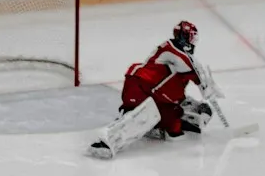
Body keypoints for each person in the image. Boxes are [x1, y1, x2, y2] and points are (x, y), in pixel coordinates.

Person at [88, 21, 214, 159]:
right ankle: (107, 141)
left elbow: (185, 78)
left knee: (172, 128)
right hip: (141, 86)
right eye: (191, 37)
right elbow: (193, 70)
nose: (193, 42)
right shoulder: (173, 50)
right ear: (184, 37)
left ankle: (150, 125)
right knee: (146, 114)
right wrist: (205, 86)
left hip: (153, 93)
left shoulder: (179, 61)